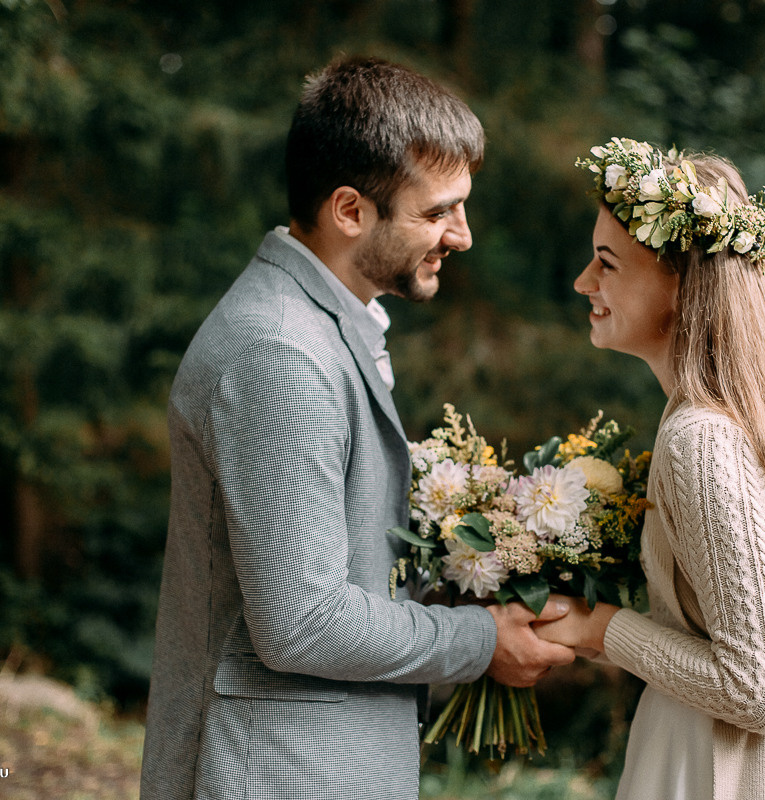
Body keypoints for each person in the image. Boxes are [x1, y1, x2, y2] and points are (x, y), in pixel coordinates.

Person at [138, 56, 575, 800]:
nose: (462, 236)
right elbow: (304, 622)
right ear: (350, 210)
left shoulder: (327, 324)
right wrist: (479, 641)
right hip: (277, 772)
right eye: (436, 213)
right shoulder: (281, 351)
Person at [533, 138, 765, 799]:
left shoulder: (701, 439)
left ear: (678, 282)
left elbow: (759, 690)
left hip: (733, 769)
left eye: (606, 263)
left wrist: (602, 627)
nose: (584, 281)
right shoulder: (737, 418)